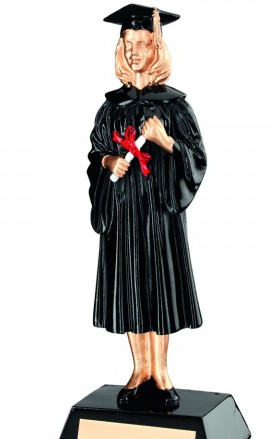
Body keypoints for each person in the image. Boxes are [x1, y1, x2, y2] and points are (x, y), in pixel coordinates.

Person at [87, 4, 207, 410]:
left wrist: (166, 141)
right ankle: (140, 370)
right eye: (128, 44)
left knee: (159, 287)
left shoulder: (174, 107)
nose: (134, 51)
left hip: (158, 213)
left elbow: (197, 158)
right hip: (123, 213)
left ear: (157, 48)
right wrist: (108, 162)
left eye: (142, 43)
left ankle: (161, 371)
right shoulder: (111, 107)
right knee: (131, 286)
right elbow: (96, 153)